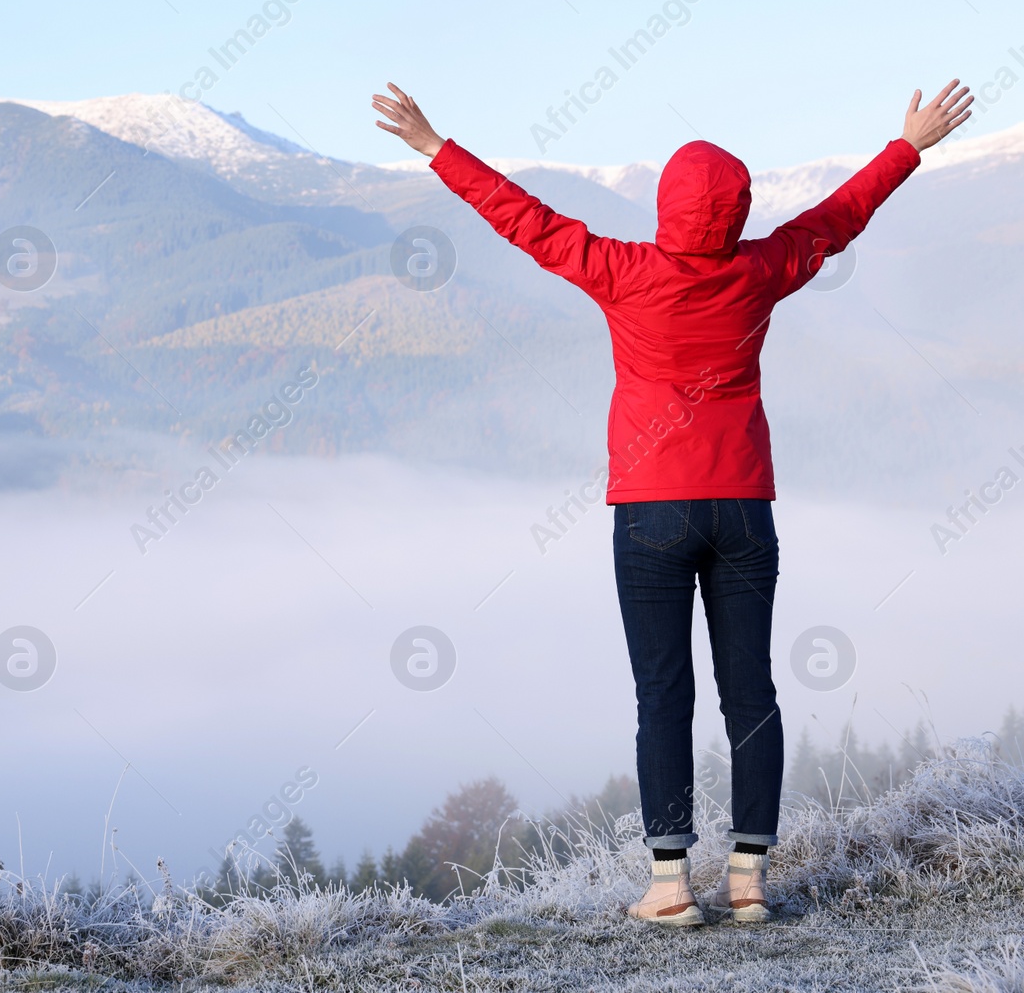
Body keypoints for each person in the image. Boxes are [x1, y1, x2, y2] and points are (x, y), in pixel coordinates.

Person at [373, 79, 972, 925]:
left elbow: (525, 220)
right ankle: (750, 878)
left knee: (663, 693)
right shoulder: (762, 269)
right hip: (742, 507)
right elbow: (839, 218)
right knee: (751, 690)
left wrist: (437, 147)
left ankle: (667, 885)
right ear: (736, 211)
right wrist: (908, 146)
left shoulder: (622, 271)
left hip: (650, 513)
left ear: (665, 208)